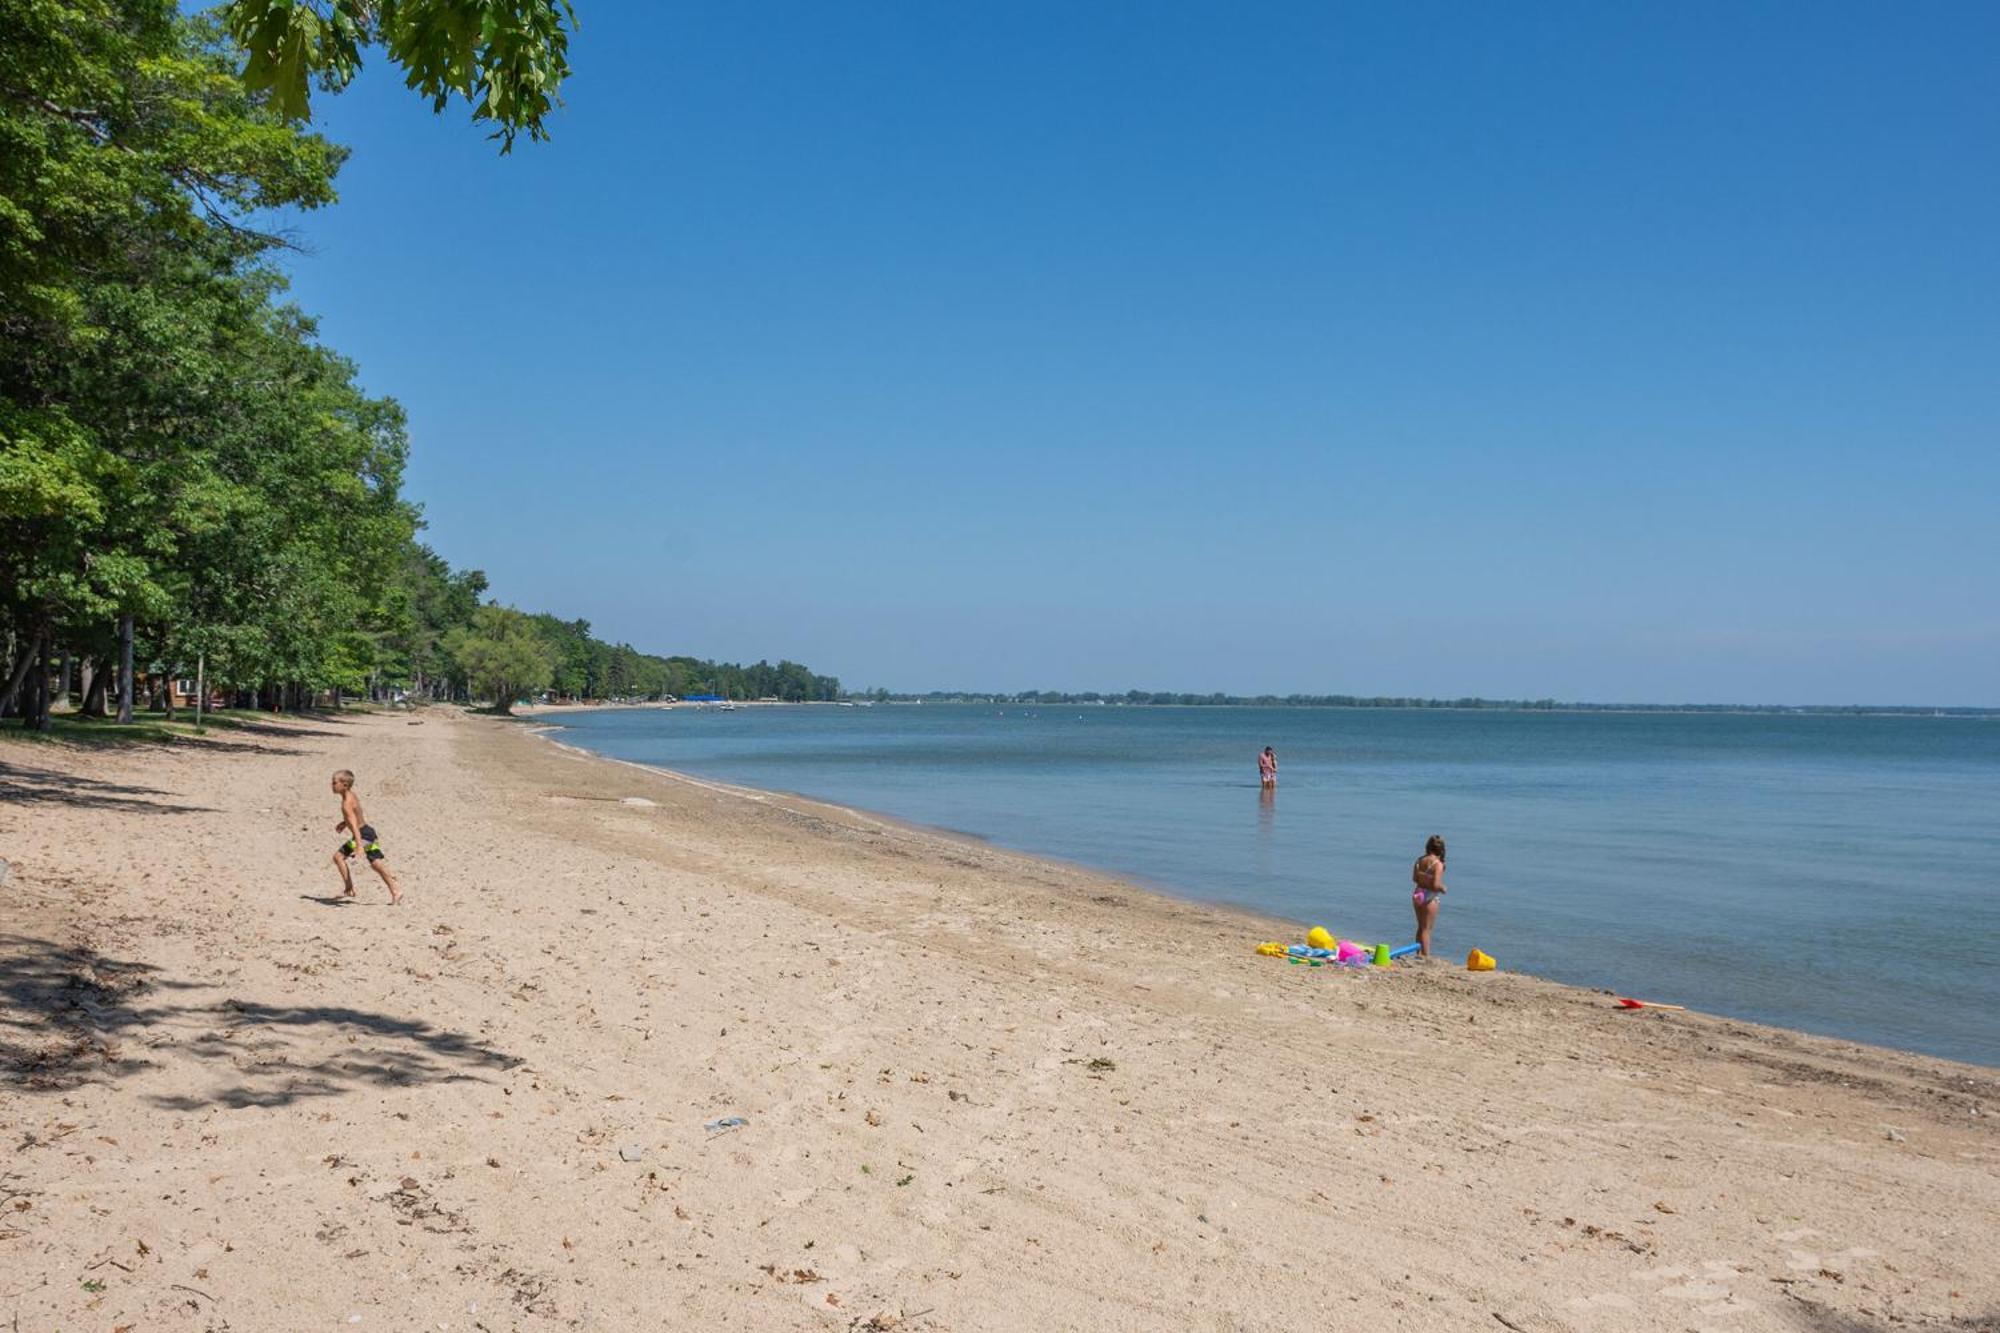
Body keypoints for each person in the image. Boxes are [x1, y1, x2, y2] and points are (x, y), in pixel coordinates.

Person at [331, 769, 404, 905]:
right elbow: (356, 815)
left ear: (345, 785)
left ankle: (349, 888)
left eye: (334, 783)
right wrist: (344, 823)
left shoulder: (346, 804)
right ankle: (395, 890)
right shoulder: (351, 796)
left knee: (338, 857)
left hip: (363, 835)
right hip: (367, 831)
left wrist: (358, 844)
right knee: (375, 863)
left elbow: (353, 824)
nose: (332, 785)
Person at [1411, 834, 1446, 957]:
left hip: (1418, 893)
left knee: (1420, 926)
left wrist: (1424, 879)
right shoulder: (1438, 864)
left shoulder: (1419, 860)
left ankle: (1418, 953)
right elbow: (1436, 885)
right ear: (1441, 849)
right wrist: (1443, 888)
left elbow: (1415, 878)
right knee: (1427, 929)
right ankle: (1426, 956)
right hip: (1429, 896)